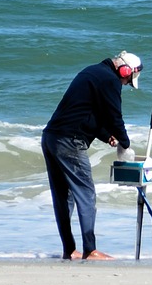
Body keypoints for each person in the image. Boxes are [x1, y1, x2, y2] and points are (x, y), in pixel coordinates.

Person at [42, 51, 142, 261]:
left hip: (51, 137)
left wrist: (107, 137)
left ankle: (69, 250)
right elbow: (114, 116)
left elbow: (87, 114)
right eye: (127, 79)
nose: (125, 84)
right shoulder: (110, 80)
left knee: (63, 198)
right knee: (86, 194)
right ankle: (90, 250)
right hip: (70, 141)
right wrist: (125, 143)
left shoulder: (92, 72)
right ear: (124, 70)